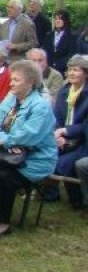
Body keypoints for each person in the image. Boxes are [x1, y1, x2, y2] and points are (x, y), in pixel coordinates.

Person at [0, 60, 57, 236]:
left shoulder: (41, 106)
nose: (11, 83)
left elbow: (29, 136)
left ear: (31, 82)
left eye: (16, 80)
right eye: (11, 79)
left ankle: (2, 223)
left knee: (6, 177)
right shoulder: (10, 99)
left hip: (36, 158)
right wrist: (7, 142)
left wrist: (2, 142)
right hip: (8, 153)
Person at [50, 55, 88, 207]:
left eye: (76, 70)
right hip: (64, 138)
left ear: (86, 73)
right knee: (47, 155)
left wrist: (66, 131)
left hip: (83, 141)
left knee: (66, 162)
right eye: (69, 69)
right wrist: (58, 134)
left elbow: (86, 125)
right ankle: (50, 194)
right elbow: (57, 117)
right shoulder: (64, 91)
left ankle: (77, 200)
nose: (71, 73)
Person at [43, 9, 75, 75]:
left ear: (65, 20)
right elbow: (45, 51)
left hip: (64, 70)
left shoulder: (72, 36)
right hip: (49, 70)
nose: (57, 21)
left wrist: (59, 65)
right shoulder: (49, 35)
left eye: (60, 19)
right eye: (56, 19)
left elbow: (72, 54)